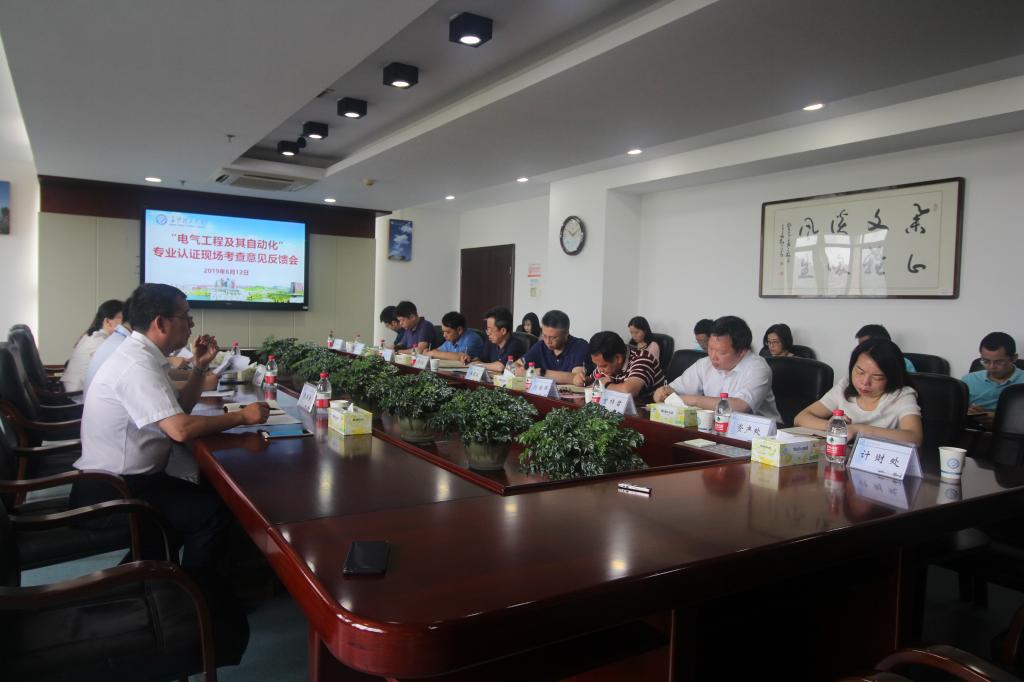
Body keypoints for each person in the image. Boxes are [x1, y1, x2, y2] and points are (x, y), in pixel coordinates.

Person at [71, 283, 271, 573]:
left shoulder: (143, 355)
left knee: (207, 503)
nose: (191, 324)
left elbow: (180, 409)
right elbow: (180, 429)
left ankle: (150, 578)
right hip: (114, 492)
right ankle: (194, 593)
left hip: (132, 481)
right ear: (161, 323)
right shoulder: (135, 364)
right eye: (185, 317)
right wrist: (242, 417)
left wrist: (199, 367)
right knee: (211, 514)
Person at [795, 338, 923, 446]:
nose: (865, 382)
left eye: (877, 377)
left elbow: (914, 437)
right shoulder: (844, 387)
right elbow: (801, 418)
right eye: (860, 372)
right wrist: (832, 426)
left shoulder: (902, 395)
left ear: (892, 377)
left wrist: (858, 429)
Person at [654, 316, 781, 423]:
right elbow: (673, 390)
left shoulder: (758, 368)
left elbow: (740, 406)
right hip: (717, 428)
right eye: (710, 348)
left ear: (742, 351)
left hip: (762, 437)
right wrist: (664, 392)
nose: (712, 356)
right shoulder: (704, 364)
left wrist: (693, 400)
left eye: (721, 352)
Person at [581, 331, 665, 405]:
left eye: (603, 366)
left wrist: (605, 385)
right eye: (597, 365)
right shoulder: (606, 364)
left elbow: (629, 391)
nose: (599, 369)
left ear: (618, 358)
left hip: (650, 413)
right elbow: (591, 381)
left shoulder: (642, 359)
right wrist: (582, 379)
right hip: (620, 411)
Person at [517, 309, 593, 384]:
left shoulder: (580, 346)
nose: (548, 341)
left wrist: (541, 373)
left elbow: (577, 378)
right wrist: (520, 370)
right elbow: (517, 364)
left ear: (566, 333)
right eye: (544, 336)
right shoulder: (540, 346)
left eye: (553, 337)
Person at [62, 299, 123, 391]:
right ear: (107, 321)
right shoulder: (99, 341)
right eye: (123, 319)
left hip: (74, 390)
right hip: (78, 395)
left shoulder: (90, 335)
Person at [962, 332, 1023, 416]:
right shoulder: (968, 380)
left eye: (999, 362)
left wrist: (999, 418)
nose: (991, 367)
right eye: (986, 361)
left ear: (1014, 358)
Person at [472, 306, 528, 372]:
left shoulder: (515, 345)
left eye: (490, 330)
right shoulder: (491, 341)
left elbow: (500, 367)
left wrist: (479, 365)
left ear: (503, 331)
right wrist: (471, 359)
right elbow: (481, 359)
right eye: (487, 329)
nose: (488, 333)